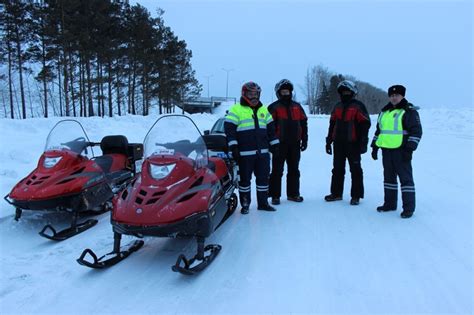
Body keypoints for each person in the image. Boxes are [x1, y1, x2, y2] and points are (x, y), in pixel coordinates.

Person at [224, 82, 279, 214]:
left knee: (263, 180)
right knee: (244, 181)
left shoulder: (264, 110)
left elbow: (271, 130)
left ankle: (263, 203)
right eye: (251, 94)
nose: (254, 97)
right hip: (244, 154)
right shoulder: (236, 110)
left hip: (263, 153)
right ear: (244, 94)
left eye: (256, 94)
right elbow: (229, 130)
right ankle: (245, 204)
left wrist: (275, 145)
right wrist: (234, 147)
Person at [371, 85, 422, 218]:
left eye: (397, 95)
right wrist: (374, 146)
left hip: (402, 151)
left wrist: (410, 149)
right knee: (389, 179)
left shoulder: (409, 111)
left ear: (402, 96)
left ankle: (409, 208)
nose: (394, 97)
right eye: (392, 95)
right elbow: (379, 131)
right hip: (386, 151)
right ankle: (390, 204)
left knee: (406, 180)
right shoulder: (384, 112)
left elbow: (416, 132)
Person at [324, 80, 371, 205]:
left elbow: (365, 124)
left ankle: (356, 195)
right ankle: (336, 193)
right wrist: (328, 141)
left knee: (355, 170)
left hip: (353, 143)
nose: (345, 94)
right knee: (337, 169)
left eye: (348, 91)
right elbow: (332, 124)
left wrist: (363, 142)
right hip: (338, 143)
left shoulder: (358, 106)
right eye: (343, 92)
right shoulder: (337, 106)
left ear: (352, 92)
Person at [268, 79, 308, 205]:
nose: (286, 94)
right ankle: (275, 195)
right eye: (283, 91)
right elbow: (268, 127)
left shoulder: (297, 106)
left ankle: (293, 194)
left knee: (294, 170)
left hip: (295, 143)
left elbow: (303, 122)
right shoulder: (273, 107)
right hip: (279, 144)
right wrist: (271, 143)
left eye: (288, 91)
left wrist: (305, 139)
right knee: (277, 171)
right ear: (279, 93)